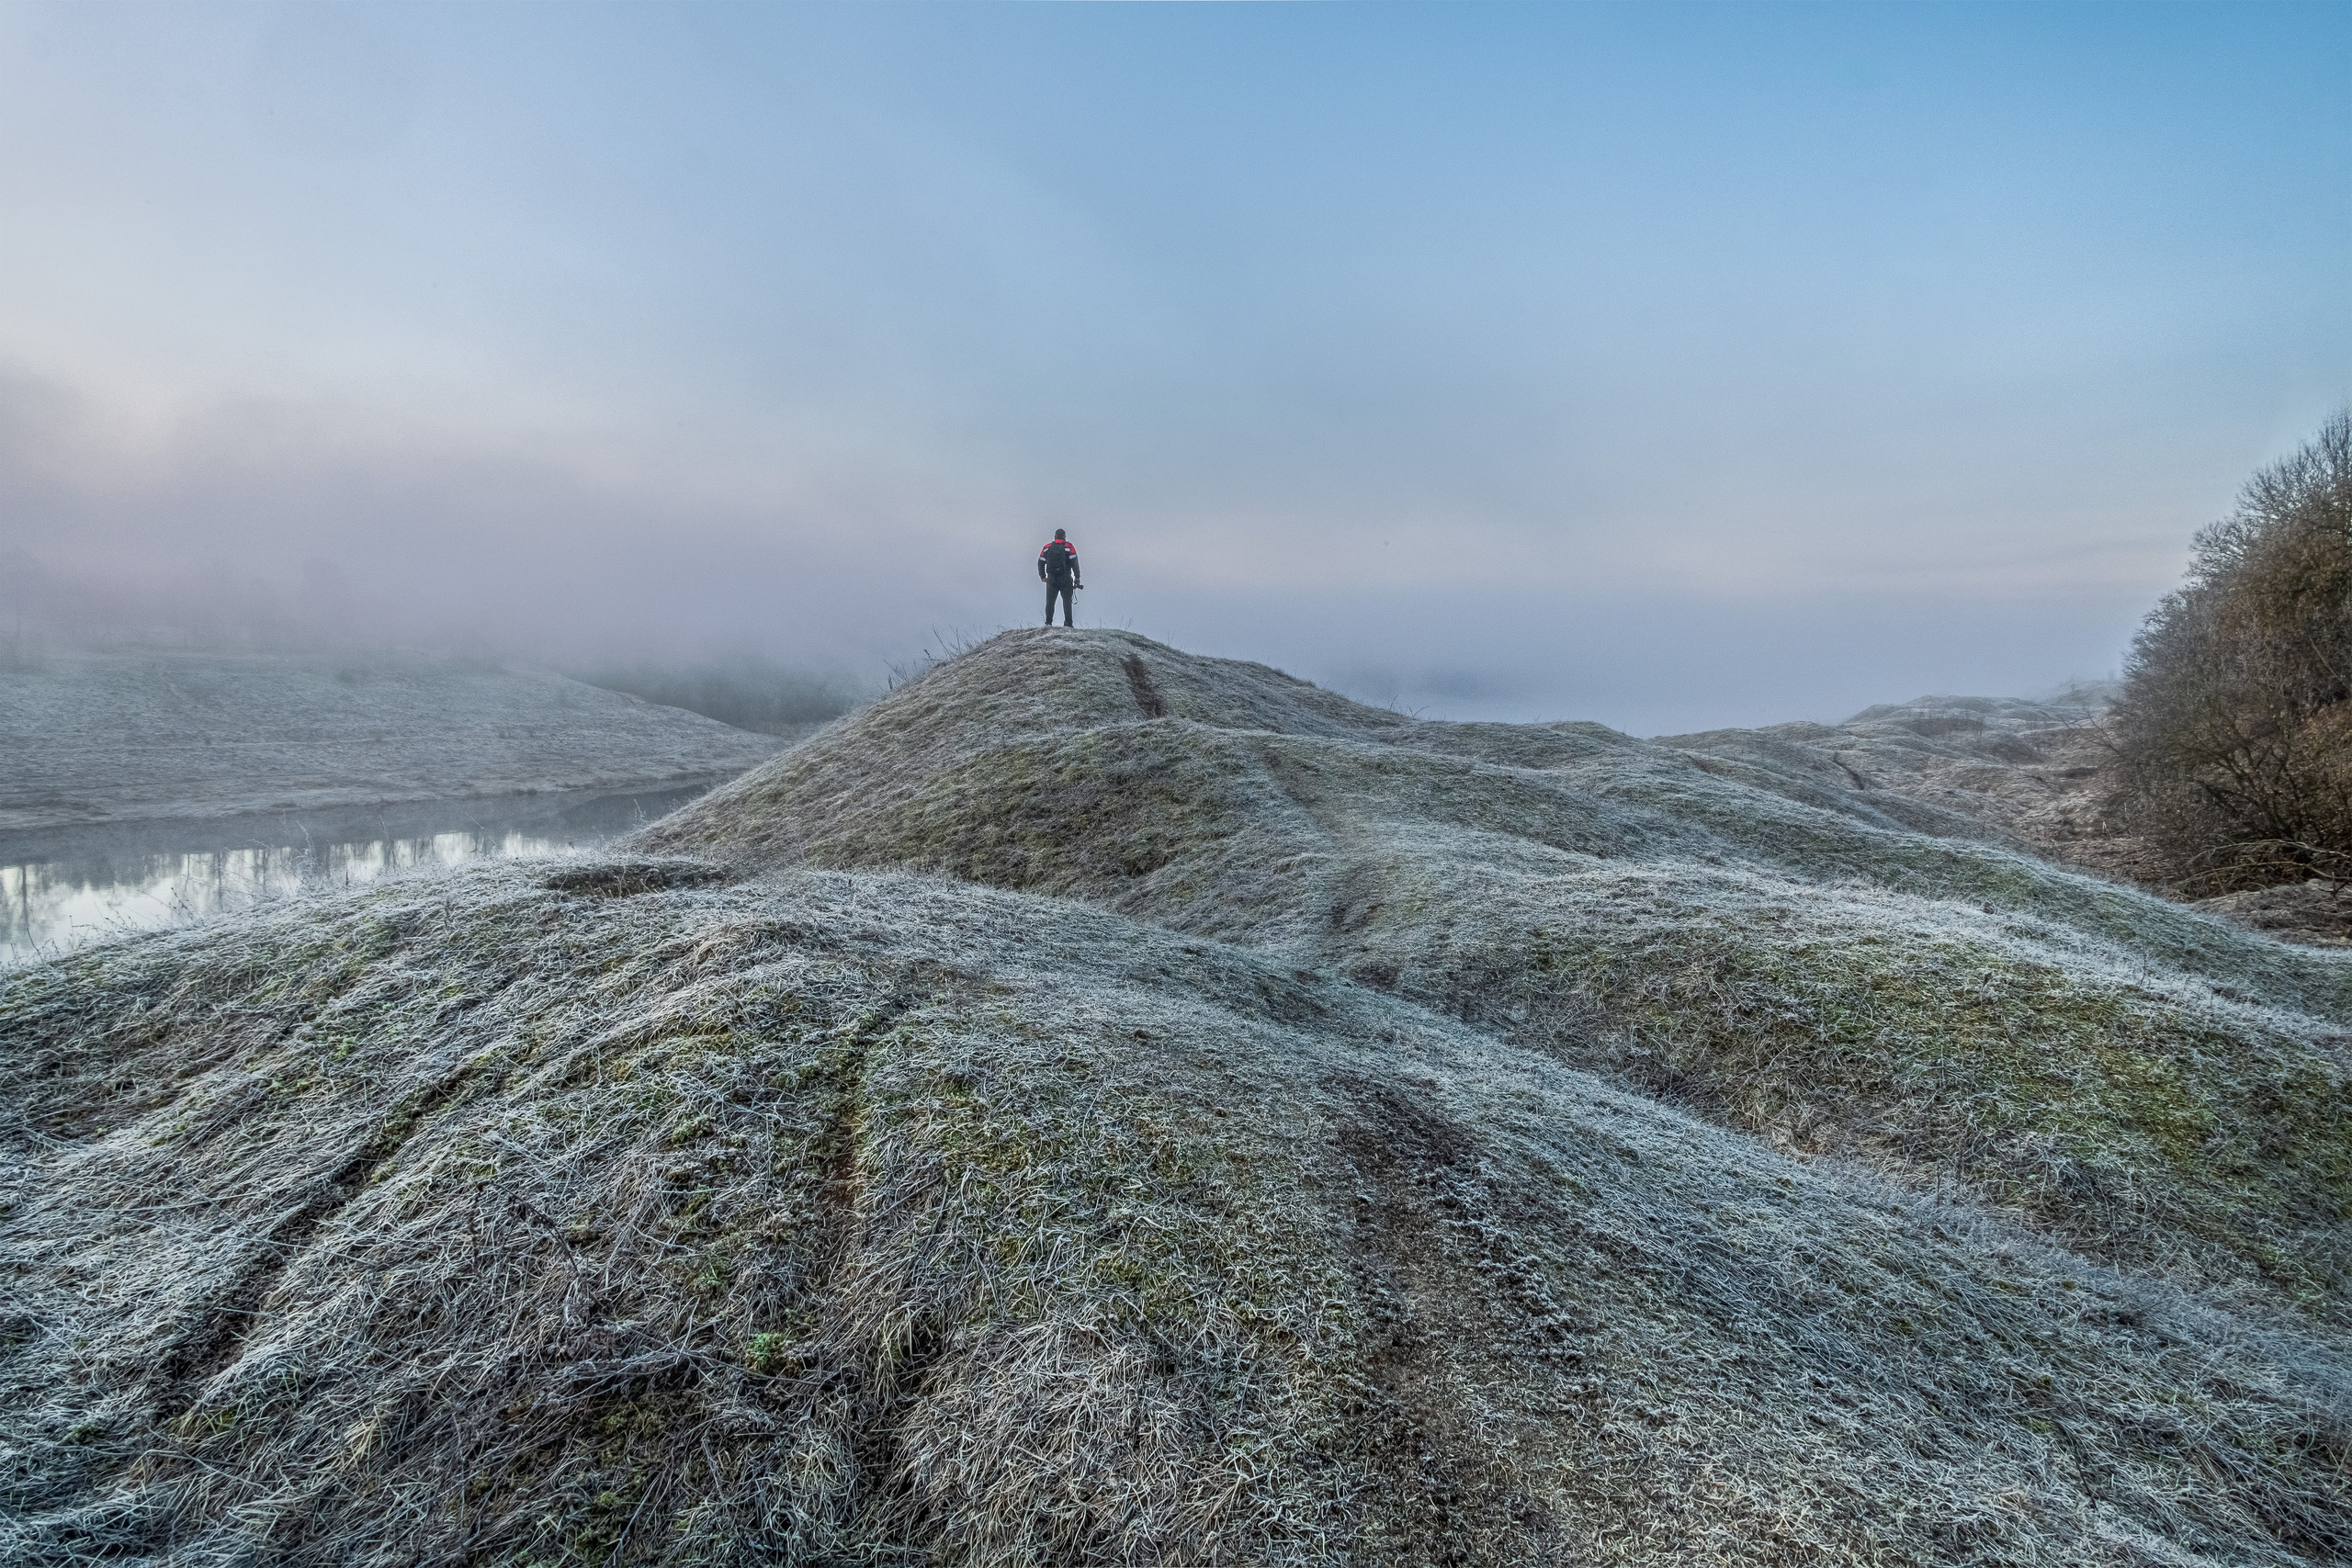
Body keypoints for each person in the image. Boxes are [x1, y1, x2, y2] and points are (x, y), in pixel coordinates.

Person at [1038, 528, 1081, 626]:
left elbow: (1040, 562)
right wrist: (1077, 577)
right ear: (1064, 537)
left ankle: (1048, 623)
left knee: (1050, 602)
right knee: (1067, 601)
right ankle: (1068, 623)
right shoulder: (1069, 547)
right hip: (1065, 578)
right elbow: (1075, 562)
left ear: (1055, 536)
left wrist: (1042, 576)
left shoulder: (1047, 547)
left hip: (1051, 578)